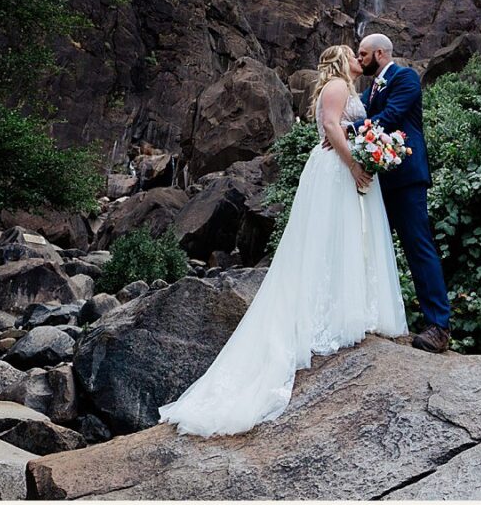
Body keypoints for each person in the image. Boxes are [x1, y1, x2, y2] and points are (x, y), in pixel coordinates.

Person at [157, 44, 406, 436]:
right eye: (355, 55)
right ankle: (328, 314)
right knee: (329, 241)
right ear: (343, 61)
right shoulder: (338, 87)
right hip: (337, 169)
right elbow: (330, 128)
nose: (362, 60)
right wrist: (356, 165)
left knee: (344, 240)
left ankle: (349, 306)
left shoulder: (349, 88)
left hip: (342, 167)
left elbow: (350, 127)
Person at [357, 33, 452, 353]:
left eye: (363, 54)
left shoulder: (405, 77)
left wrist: (346, 131)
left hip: (407, 178)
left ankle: (439, 325)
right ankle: (369, 316)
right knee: (370, 247)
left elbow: (391, 117)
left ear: (380, 53)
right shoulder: (369, 90)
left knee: (418, 247)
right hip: (378, 181)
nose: (359, 60)